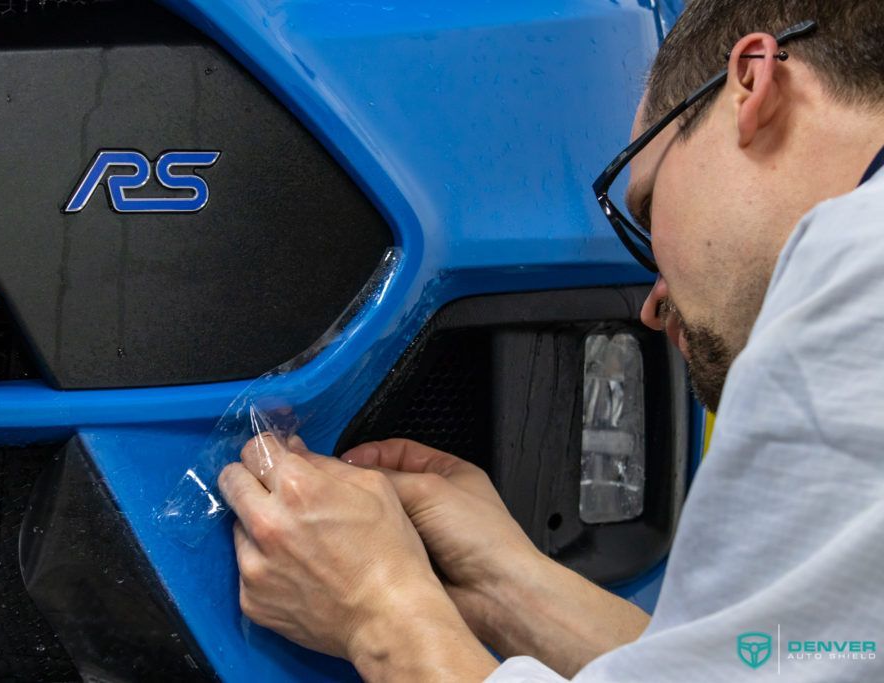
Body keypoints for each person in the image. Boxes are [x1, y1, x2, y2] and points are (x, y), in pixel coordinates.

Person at [215, 1, 884, 680]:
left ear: (751, 84)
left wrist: (380, 614)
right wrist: (507, 585)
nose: (654, 303)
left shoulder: (858, 271)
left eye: (647, 209)